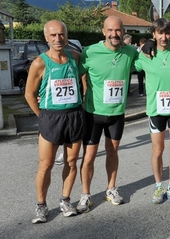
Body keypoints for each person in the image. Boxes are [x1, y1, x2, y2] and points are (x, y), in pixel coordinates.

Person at [77, 16, 139, 213]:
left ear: (123, 31)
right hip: (93, 113)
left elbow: (147, 61)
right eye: (110, 30)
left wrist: (150, 45)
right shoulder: (90, 52)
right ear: (103, 31)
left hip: (117, 114)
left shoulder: (129, 52)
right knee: (89, 157)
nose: (114, 34)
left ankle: (111, 188)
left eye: (118, 30)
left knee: (112, 152)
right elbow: (73, 74)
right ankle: (85, 194)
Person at [25, 20, 84, 223]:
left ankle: (65, 200)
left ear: (66, 36)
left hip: (74, 116)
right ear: (46, 38)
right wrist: (41, 115)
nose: (58, 39)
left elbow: (91, 74)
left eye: (61, 34)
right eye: (53, 35)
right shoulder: (40, 63)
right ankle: (41, 205)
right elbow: (29, 95)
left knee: (71, 162)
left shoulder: (75, 57)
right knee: (46, 164)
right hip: (50, 117)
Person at [134, 18, 170, 204]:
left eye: (167, 33)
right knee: (157, 150)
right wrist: (142, 47)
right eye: (160, 33)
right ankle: (159, 186)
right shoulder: (145, 55)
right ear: (154, 34)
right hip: (156, 109)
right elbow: (127, 62)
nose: (164, 37)